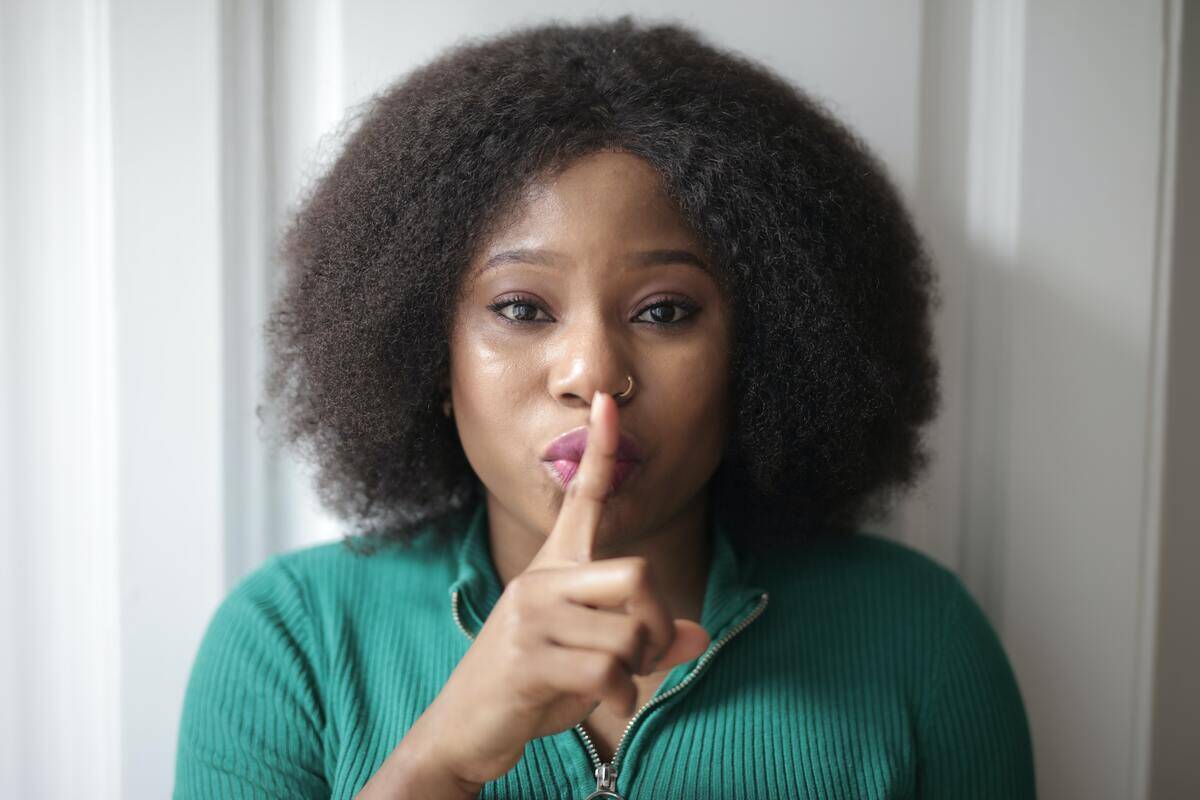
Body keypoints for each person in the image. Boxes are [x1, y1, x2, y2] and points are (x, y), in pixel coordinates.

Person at [173, 15, 1036, 800]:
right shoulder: (293, 639)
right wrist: (442, 761)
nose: (593, 373)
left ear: (764, 352)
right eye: (521, 308)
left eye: (664, 311)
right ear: (428, 352)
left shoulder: (917, 635)